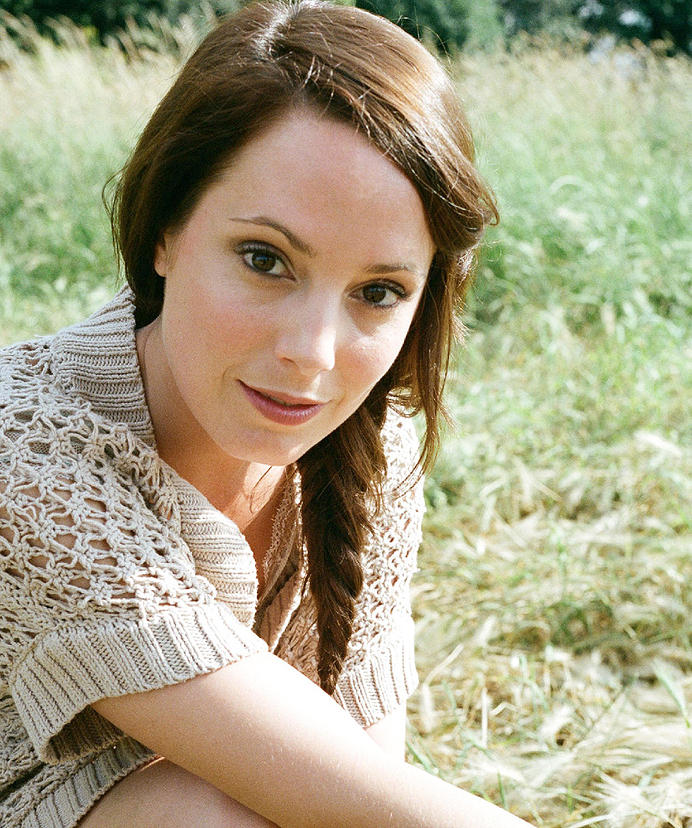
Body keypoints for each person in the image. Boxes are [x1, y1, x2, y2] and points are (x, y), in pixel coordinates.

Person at [0, 1, 530, 825]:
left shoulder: (372, 446)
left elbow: (360, 784)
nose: (313, 354)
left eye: (378, 291)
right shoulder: (25, 447)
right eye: (264, 259)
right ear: (165, 231)